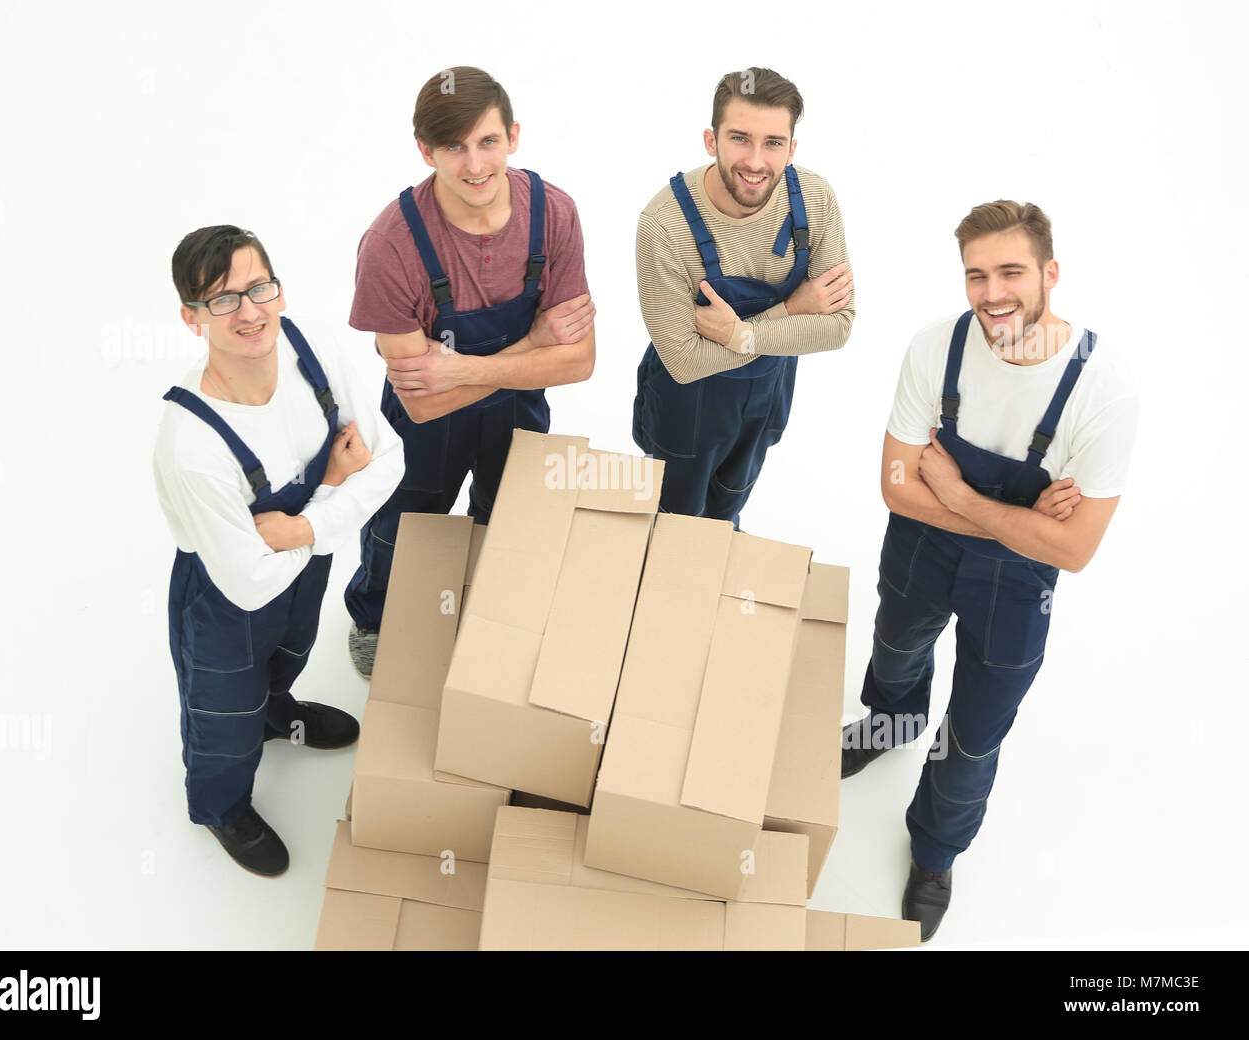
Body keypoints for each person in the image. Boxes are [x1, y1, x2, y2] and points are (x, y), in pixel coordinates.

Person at [842, 201, 1139, 941]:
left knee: (974, 735)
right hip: (923, 546)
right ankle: (891, 722)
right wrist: (1025, 520)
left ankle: (936, 851)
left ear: (1050, 274)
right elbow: (894, 486)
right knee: (898, 647)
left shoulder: (1103, 393)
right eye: (977, 274)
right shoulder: (935, 347)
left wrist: (957, 492)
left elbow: (1074, 551)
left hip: (1016, 587)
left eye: (1011, 271)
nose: (992, 292)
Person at [154, 226, 404, 876]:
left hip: (297, 561)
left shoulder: (312, 352)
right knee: (223, 715)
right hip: (223, 593)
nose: (250, 311)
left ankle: (279, 716)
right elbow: (247, 582)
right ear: (192, 317)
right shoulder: (192, 447)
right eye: (222, 299)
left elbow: (389, 461)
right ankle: (222, 806)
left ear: (279, 287)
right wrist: (333, 497)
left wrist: (306, 523)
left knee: (293, 646)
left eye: (258, 286)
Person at [344, 66, 595, 676]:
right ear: (425, 151)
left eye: (487, 142)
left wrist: (458, 370)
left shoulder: (553, 215)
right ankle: (374, 616)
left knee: (507, 512)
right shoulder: (391, 245)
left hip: (518, 408)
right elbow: (424, 402)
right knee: (402, 522)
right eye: (454, 147)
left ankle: (485, 610)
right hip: (429, 427)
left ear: (513, 135)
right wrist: (533, 345)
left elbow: (580, 361)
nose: (475, 164)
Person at [632, 66, 854, 527]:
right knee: (671, 527)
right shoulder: (664, 224)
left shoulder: (814, 199)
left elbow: (837, 326)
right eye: (739, 139)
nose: (755, 161)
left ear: (792, 148)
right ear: (711, 141)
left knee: (726, 517)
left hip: (764, 401)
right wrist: (792, 311)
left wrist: (742, 333)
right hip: (685, 407)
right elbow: (685, 361)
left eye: (773, 143)